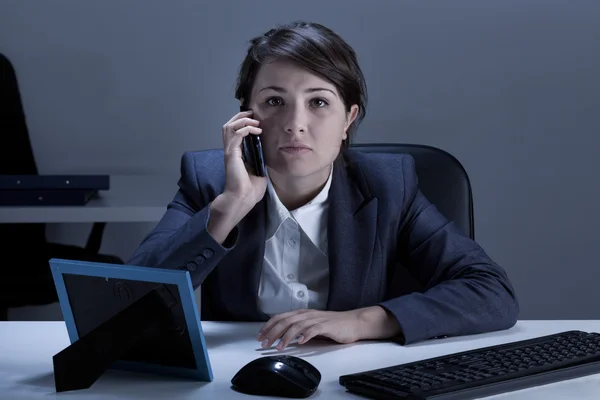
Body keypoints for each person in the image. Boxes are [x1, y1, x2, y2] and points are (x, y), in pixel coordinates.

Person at [128, 21, 519, 351]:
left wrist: (364, 322)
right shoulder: (209, 179)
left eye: (318, 102)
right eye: (274, 101)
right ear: (247, 115)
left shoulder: (389, 185)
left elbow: (492, 292)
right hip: (237, 378)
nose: (295, 123)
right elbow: (126, 302)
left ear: (348, 118)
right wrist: (226, 210)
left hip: (357, 373)